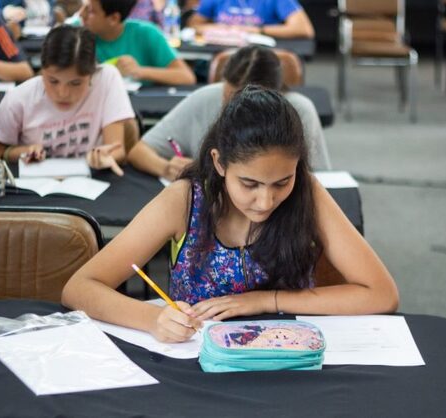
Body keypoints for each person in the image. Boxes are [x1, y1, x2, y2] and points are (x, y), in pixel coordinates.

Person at [62, 86, 399, 343]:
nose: (265, 201)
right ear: (220, 162)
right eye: (249, 183)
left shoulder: (306, 192)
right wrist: (152, 319)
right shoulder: (185, 200)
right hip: (198, 358)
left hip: (287, 360)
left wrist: (265, 301)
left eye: (282, 181)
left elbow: (381, 293)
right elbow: (80, 287)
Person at [127, 45, 331, 181]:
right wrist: (165, 168)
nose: (233, 108)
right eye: (228, 97)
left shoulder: (300, 111)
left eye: (245, 103)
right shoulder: (206, 98)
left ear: (274, 96)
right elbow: (139, 151)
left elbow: (319, 181)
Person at [0, 25, 135, 175]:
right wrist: (18, 152)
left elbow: (116, 149)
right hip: (33, 188)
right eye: (53, 81)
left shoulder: (106, 79)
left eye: (75, 83)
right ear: (42, 70)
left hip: (91, 183)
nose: (63, 93)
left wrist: (103, 156)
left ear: (92, 73)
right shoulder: (20, 98)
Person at [79, 0, 196, 85]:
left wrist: (139, 71)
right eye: (82, 6)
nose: (81, 14)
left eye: (90, 11)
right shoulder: (76, 32)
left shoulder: (146, 33)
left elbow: (186, 76)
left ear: (114, 18)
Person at [187, 0, 314, 39]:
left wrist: (256, 30)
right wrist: (222, 29)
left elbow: (304, 29)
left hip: (260, 54)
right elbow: (194, 24)